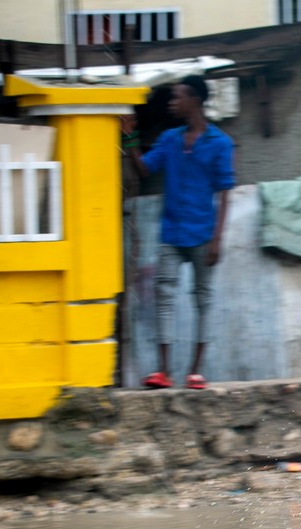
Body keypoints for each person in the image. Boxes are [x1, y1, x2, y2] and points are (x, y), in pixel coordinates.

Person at [124, 75, 236, 390]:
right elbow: (145, 169)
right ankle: (164, 371)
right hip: (171, 232)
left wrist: (217, 239)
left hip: (203, 233)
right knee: (165, 297)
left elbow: (225, 191)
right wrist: (131, 138)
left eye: (177, 96)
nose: (172, 102)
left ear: (195, 101)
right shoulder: (170, 139)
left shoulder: (220, 143)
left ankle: (195, 372)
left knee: (203, 300)